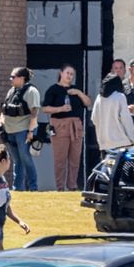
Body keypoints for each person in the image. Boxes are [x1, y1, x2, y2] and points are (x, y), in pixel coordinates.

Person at [42, 64, 92, 192]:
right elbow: (45, 108)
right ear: (61, 73)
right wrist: (60, 109)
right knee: (60, 159)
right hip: (60, 126)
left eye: (71, 74)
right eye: (67, 73)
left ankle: (72, 186)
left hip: (76, 126)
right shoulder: (53, 90)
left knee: (75, 158)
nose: (69, 76)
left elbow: (88, 103)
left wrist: (79, 93)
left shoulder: (76, 90)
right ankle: (60, 188)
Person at [0, 67, 40, 191]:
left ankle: (33, 187)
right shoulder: (12, 91)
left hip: (23, 130)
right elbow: (4, 108)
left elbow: (34, 112)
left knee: (25, 158)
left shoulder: (31, 91)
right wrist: (1, 123)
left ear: (22, 78)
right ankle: (17, 188)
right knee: (17, 160)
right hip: (10, 130)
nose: (10, 79)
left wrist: (31, 131)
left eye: (13, 77)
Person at [92, 73, 134, 153]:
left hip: (104, 145)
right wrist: (133, 139)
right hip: (121, 143)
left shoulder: (99, 98)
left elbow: (94, 119)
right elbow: (126, 121)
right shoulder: (120, 96)